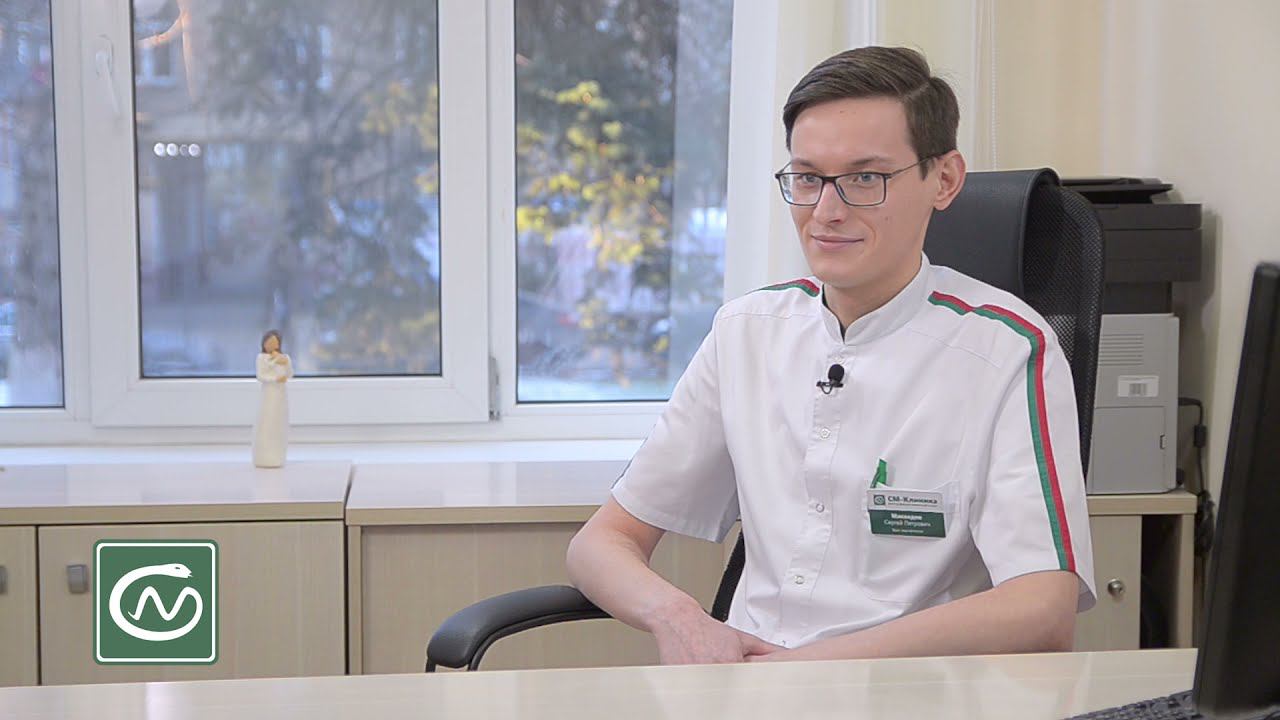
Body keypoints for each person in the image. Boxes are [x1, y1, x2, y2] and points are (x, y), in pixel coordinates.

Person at [565, 46, 1096, 665]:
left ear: (944, 179)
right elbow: (601, 543)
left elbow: (1043, 607)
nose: (826, 212)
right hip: (745, 685)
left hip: (909, 694)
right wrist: (679, 619)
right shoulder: (747, 332)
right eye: (808, 177)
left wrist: (802, 669)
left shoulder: (1007, 349)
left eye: (866, 179)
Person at [252, 329, 292, 468]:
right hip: (269, 393)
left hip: (280, 394)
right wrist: (275, 378)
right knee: (267, 421)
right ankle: (264, 455)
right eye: (269, 342)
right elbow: (261, 375)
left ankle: (277, 455)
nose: (272, 345)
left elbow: (289, 373)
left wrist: (285, 363)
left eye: (275, 342)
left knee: (278, 422)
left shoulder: (284, 358)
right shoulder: (261, 358)